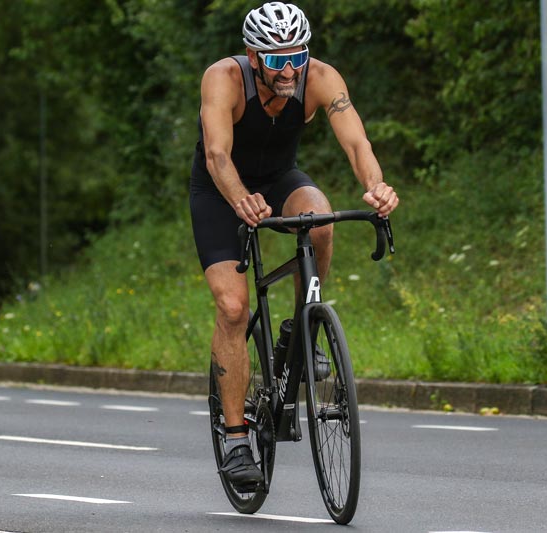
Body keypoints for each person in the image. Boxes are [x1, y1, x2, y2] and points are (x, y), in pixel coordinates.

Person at [189, 2, 399, 490]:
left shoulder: (321, 77)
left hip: (279, 178)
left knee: (320, 219)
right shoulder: (223, 78)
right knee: (233, 307)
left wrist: (376, 187)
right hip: (221, 191)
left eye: (297, 57)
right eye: (277, 59)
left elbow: (356, 143)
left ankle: (304, 324)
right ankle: (237, 440)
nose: (289, 70)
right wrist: (240, 199)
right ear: (253, 56)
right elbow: (217, 153)